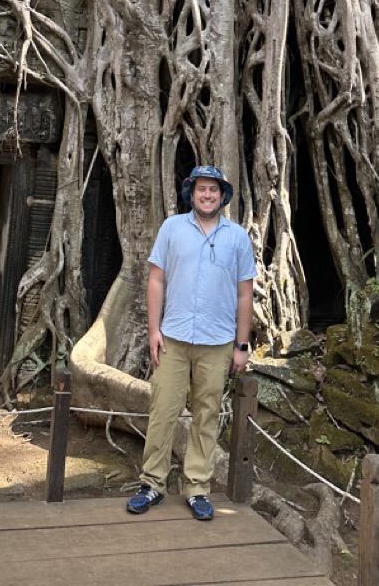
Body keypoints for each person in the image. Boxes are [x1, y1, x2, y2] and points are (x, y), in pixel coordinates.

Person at [125, 164, 256, 521]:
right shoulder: (172, 229)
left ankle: (197, 487)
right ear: (191, 193)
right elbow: (156, 281)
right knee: (163, 410)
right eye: (201, 189)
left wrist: (241, 345)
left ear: (223, 195)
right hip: (173, 339)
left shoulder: (237, 237)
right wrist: (154, 330)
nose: (207, 195)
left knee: (206, 414)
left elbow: (246, 295)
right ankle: (152, 483)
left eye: (213, 189)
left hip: (217, 342)